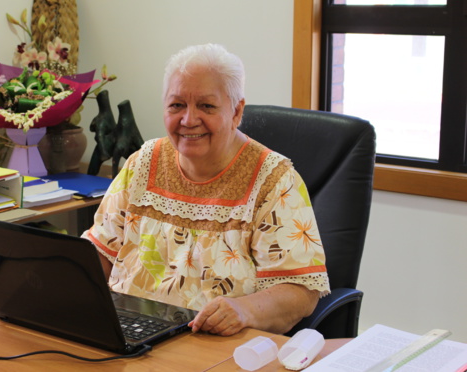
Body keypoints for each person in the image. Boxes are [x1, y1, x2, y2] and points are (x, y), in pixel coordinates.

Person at [82, 43, 330, 336]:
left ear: (237, 111)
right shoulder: (143, 162)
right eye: (177, 105)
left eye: (206, 106)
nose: (188, 120)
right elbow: (99, 252)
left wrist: (244, 310)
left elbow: (301, 293)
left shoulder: (274, 180)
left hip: (214, 344)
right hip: (130, 333)